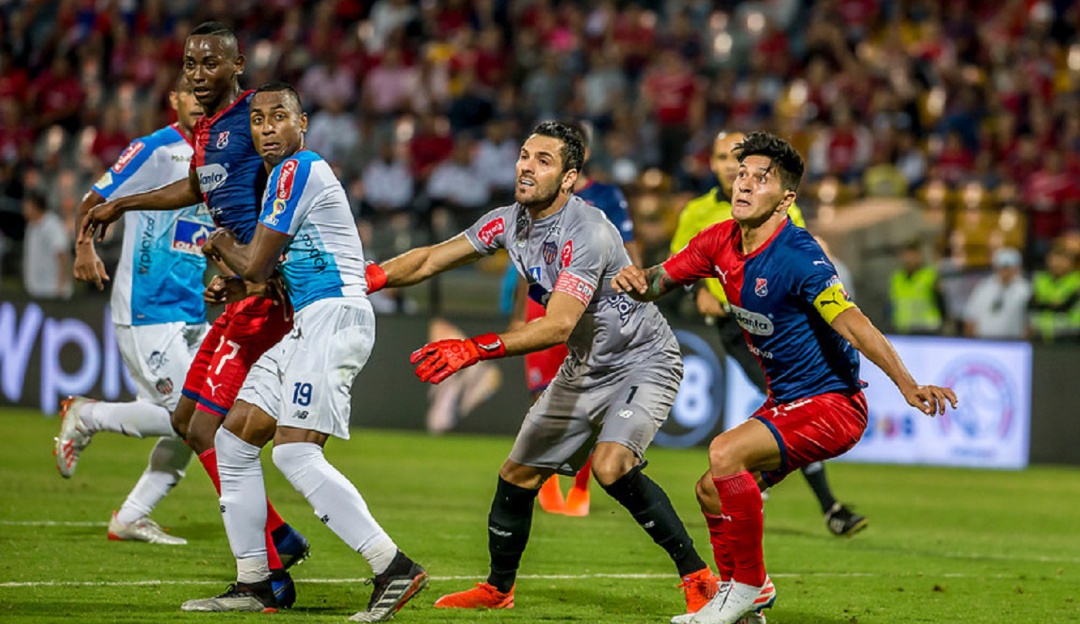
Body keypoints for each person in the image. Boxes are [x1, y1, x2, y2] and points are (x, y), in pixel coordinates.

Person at [364, 121, 719, 615]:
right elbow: (429, 260)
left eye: (543, 160)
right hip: (585, 366)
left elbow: (556, 326)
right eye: (525, 155)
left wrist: (473, 349)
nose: (527, 166)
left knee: (610, 467)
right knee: (516, 475)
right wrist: (371, 277)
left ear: (570, 177)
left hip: (642, 361)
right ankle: (498, 590)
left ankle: (699, 577)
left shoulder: (588, 230)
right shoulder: (508, 221)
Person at [612, 131, 957, 624]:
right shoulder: (719, 241)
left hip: (833, 405)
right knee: (711, 488)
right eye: (741, 173)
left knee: (725, 452)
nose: (743, 183)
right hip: (785, 402)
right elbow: (659, 280)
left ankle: (747, 586)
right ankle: (742, 594)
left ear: (786, 199)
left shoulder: (799, 255)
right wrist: (634, 281)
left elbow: (853, 322)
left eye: (761, 178)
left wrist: (908, 384)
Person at [180, 82, 428, 620]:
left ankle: (393, 566)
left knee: (294, 450)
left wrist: (217, 245)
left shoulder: (299, 170)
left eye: (278, 118)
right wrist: (238, 278)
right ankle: (256, 584)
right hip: (305, 321)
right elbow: (269, 270)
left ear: (302, 123)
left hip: (334, 317)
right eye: (258, 121)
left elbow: (256, 264)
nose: (267, 128)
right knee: (235, 436)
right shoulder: (279, 180)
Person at [82, 22, 308, 606]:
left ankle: (272, 567)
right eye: (190, 64)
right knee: (189, 420)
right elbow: (194, 188)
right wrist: (120, 205)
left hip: (268, 294)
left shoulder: (255, 119)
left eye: (211, 64)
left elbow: (287, 184)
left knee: (224, 430)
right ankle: (276, 544)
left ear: (237, 66)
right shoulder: (206, 133)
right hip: (241, 290)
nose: (198, 74)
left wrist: (262, 265)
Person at [670, 130, 865, 537]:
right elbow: (680, 266)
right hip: (734, 327)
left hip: (781, 327)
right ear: (713, 163)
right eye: (725, 158)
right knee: (788, 408)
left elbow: (800, 260)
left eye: (740, 162)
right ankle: (803, 498)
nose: (732, 170)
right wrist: (696, 297)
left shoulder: (779, 210)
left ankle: (778, 490)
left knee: (791, 406)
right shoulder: (696, 214)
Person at [54, 75, 213, 546]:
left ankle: (131, 516)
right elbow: (94, 198)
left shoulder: (219, 155)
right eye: (190, 92)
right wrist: (84, 247)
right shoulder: (155, 149)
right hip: (147, 305)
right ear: (174, 98)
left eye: (207, 94)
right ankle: (87, 416)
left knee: (195, 420)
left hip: (191, 307)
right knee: (199, 416)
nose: (199, 102)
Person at [525, 121, 640, 517]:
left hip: (593, 312)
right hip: (542, 301)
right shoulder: (536, 198)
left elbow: (630, 252)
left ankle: (580, 488)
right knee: (543, 395)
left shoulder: (606, 197)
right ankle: (547, 483)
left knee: (589, 398)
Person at [962, 247, 1031, 339]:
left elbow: (1029, 323)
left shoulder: (1025, 290)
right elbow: (970, 318)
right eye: (1001, 267)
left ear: (1017, 268)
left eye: (1008, 267)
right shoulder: (983, 287)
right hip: (984, 341)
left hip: (1013, 343)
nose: (1004, 271)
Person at [21, 192, 72, 300]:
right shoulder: (31, 227)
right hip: (36, 290)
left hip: (53, 290)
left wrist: (61, 285)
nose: (24, 211)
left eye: (27, 207)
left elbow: (62, 253)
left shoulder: (52, 225)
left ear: (36, 207)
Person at [888, 240, 946, 335]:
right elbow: (893, 303)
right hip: (904, 327)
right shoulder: (897, 277)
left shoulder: (930, 274)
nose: (910, 259)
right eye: (907, 255)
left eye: (913, 255)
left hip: (928, 328)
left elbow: (941, 301)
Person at [1027, 243, 1080, 342]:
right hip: (1041, 335)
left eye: (1062, 260)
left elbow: (1065, 306)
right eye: (1054, 259)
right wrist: (1053, 304)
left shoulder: (1077, 281)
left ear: (1070, 262)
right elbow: (1031, 305)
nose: (1057, 264)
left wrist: (1045, 303)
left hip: (1070, 335)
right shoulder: (1040, 279)